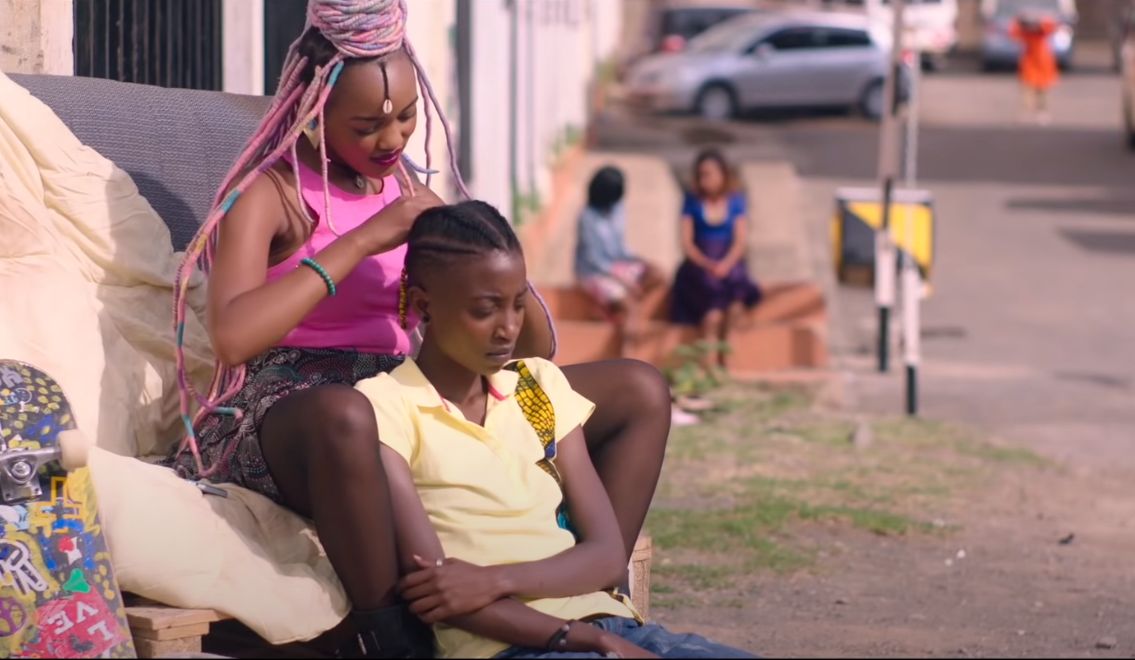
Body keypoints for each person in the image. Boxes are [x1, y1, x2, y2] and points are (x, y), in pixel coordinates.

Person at [164, 1, 669, 656]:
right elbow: (231, 337)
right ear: (315, 114)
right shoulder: (272, 194)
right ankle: (390, 635)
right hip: (291, 407)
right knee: (352, 415)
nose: (393, 139)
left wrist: (480, 257)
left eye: (407, 116)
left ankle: (597, 602)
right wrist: (365, 240)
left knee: (638, 390)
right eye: (368, 125)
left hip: (410, 391)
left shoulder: (403, 184)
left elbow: (536, 347)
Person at [367, 200, 759, 659]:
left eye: (518, 304)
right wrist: (587, 639)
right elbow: (443, 595)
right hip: (514, 648)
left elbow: (608, 557)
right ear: (423, 305)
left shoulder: (536, 386)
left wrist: (496, 580)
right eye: (486, 310)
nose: (508, 328)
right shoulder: (387, 406)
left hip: (615, 628)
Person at [668, 149, 761, 367]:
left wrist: (726, 264)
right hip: (701, 266)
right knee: (712, 314)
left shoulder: (735, 201)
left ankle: (727, 360)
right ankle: (708, 364)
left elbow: (740, 240)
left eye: (709, 174)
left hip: (728, 263)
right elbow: (686, 242)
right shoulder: (692, 201)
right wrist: (706, 263)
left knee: (735, 307)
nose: (705, 180)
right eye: (701, 175)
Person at [574, 166, 662, 346]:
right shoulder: (588, 218)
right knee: (631, 309)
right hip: (593, 272)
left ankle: (611, 309)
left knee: (659, 274)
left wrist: (641, 260)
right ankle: (626, 358)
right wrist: (625, 281)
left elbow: (620, 248)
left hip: (616, 264)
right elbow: (595, 260)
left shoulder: (618, 208)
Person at [1010, 10, 1061, 125]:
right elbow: (1014, 35)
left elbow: (1050, 27)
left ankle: (1042, 111)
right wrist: (1018, 22)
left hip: (1042, 62)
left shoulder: (1042, 32)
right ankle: (1027, 112)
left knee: (1042, 89)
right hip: (1029, 62)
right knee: (1027, 88)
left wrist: (1040, 21)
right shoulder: (1025, 32)